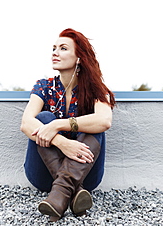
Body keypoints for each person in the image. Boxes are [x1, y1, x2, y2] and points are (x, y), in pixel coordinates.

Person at [20, 28, 115, 222]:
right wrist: (62, 143)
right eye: (54, 48)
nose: (55, 52)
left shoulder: (95, 89)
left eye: (63, 48)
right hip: (42, 174)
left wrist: (60, 125)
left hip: (86, 175)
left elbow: (104, 120)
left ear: (79, 57)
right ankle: (71, 192)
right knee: (45, 117)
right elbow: (26, 124)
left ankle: (60, 195)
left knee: (92, 122)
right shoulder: (44, 87)